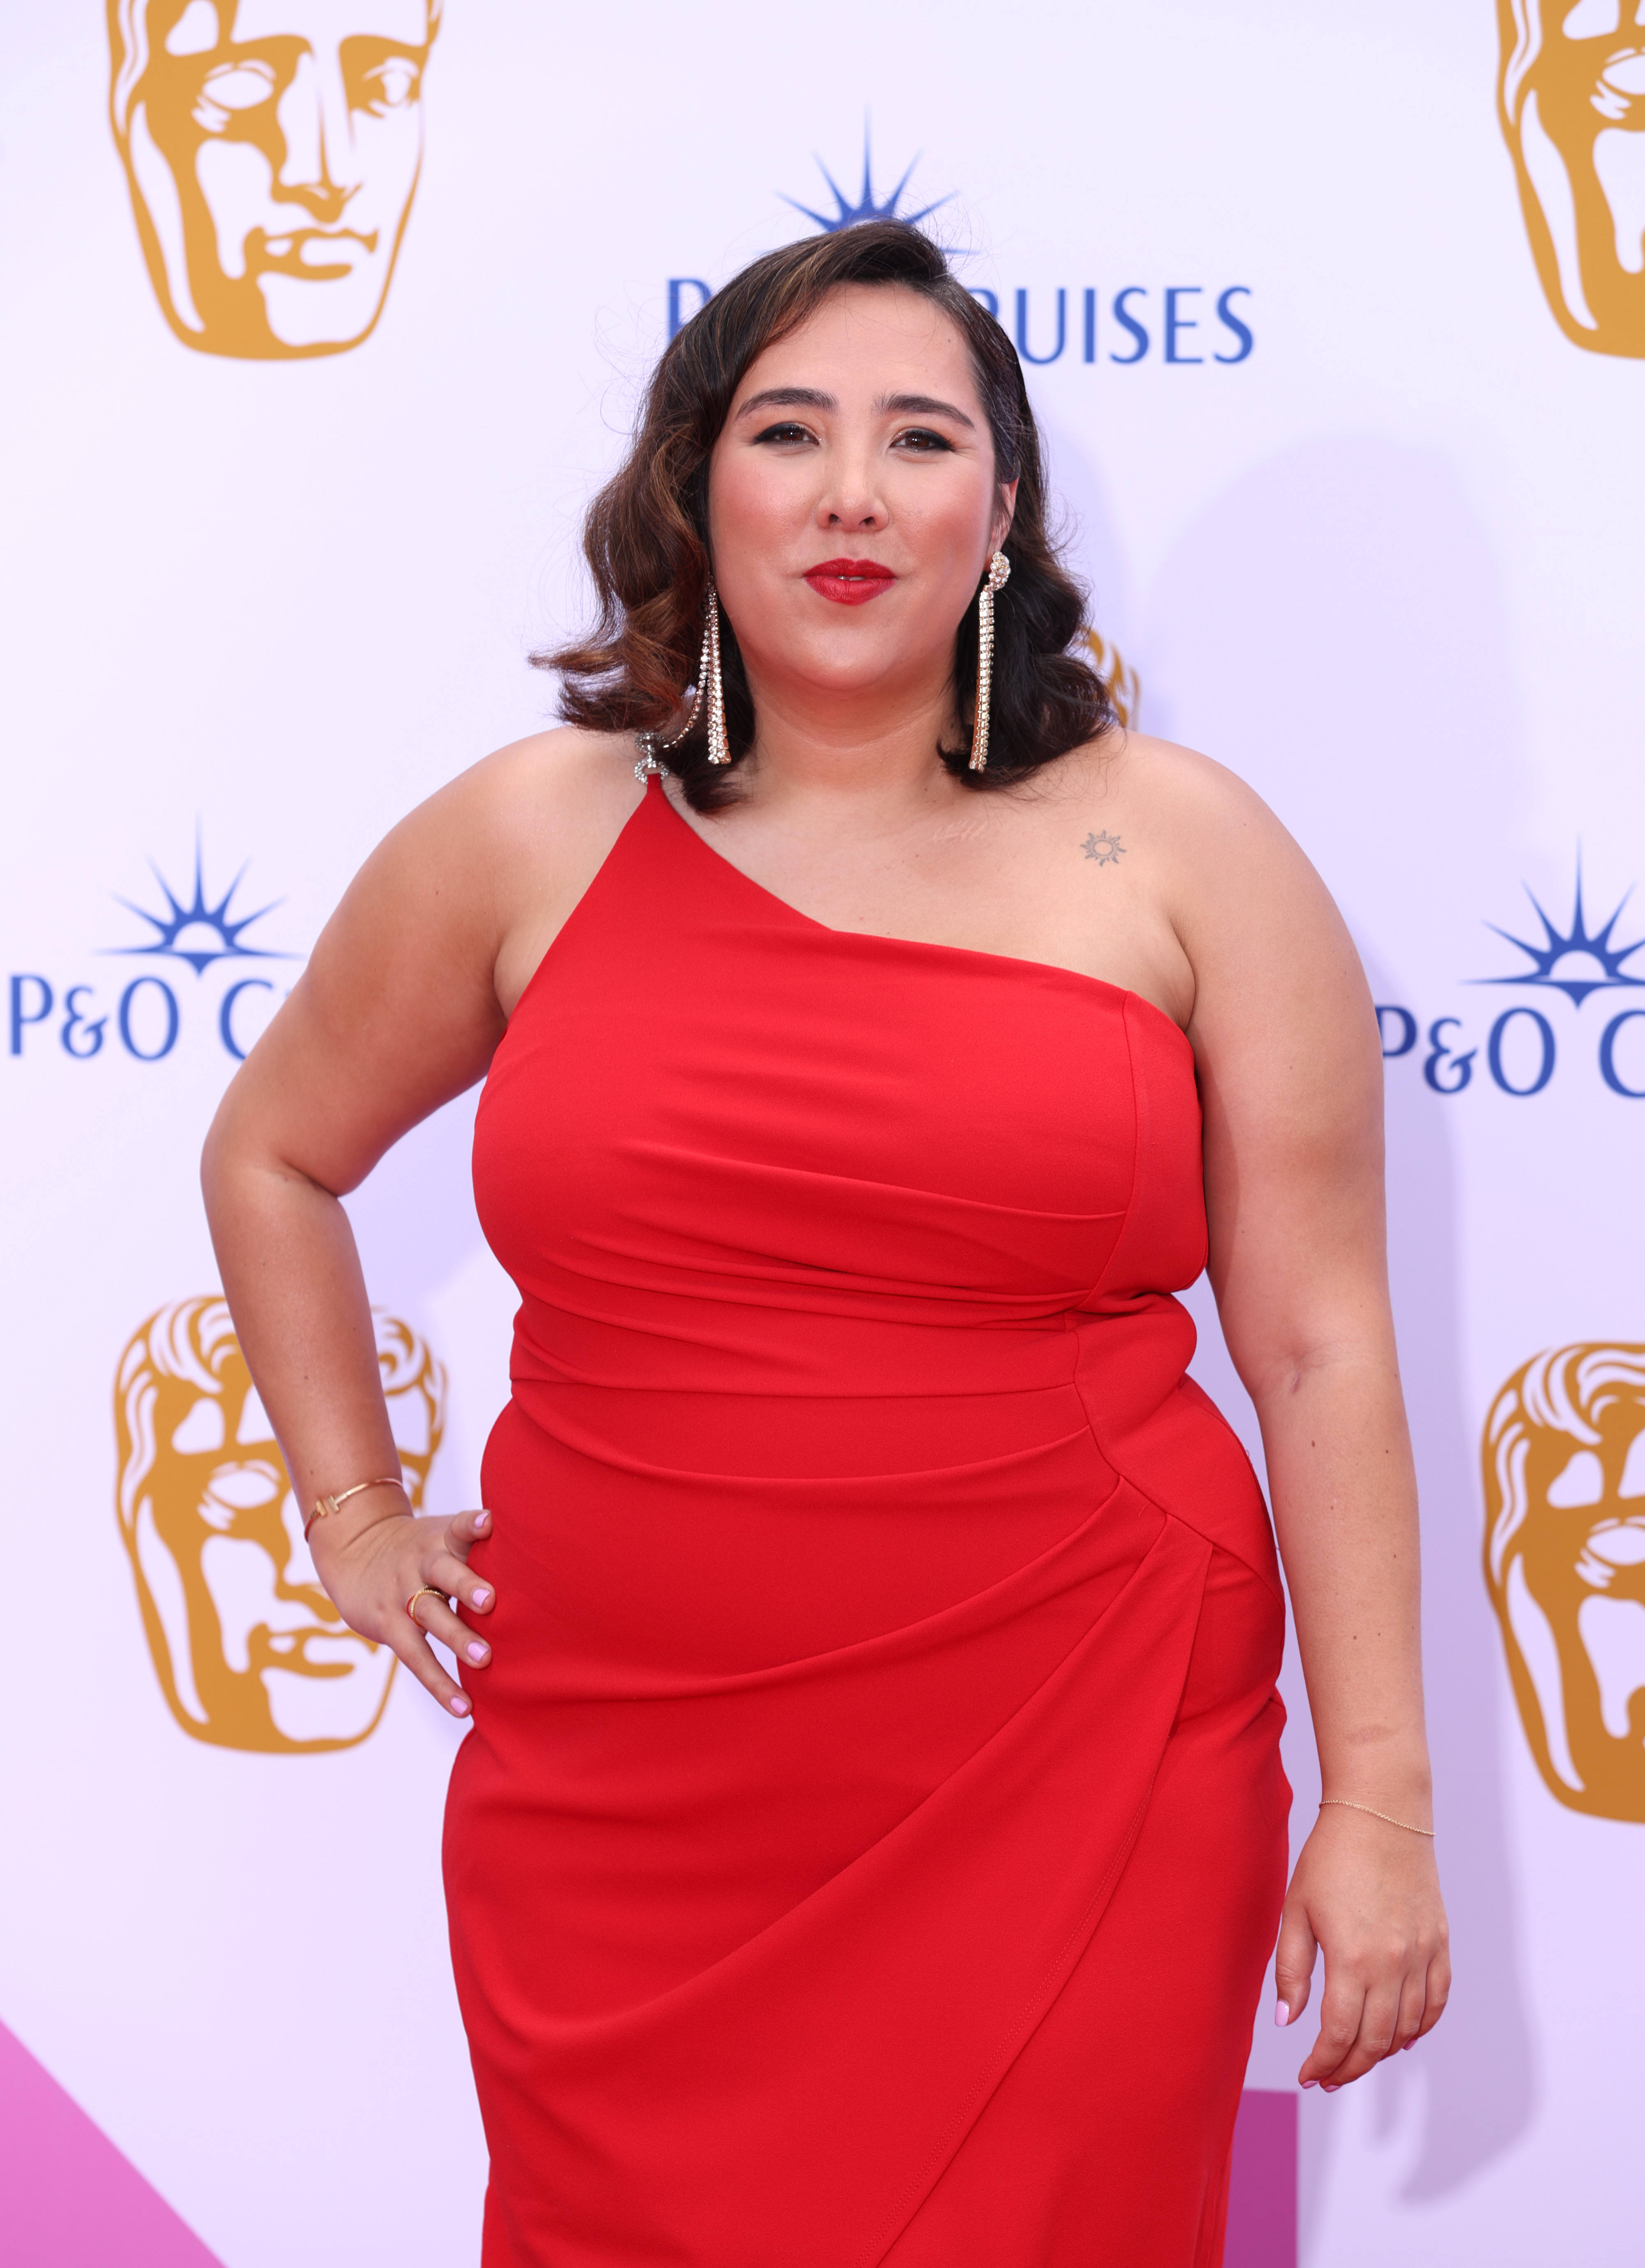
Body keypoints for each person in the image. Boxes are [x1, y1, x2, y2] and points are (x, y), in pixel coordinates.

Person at [202, 218, 1450, 2266]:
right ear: (696, 485)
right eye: (790, 430)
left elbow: (1317, 1345)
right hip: (624, 1795)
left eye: (919, 436)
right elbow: (272, 1151)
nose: (855, 490)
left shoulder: (1189, 844)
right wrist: (350, 1510)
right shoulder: (532, 831)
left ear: (1003, 507)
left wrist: (1381, 1803)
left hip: (1087, 1734)